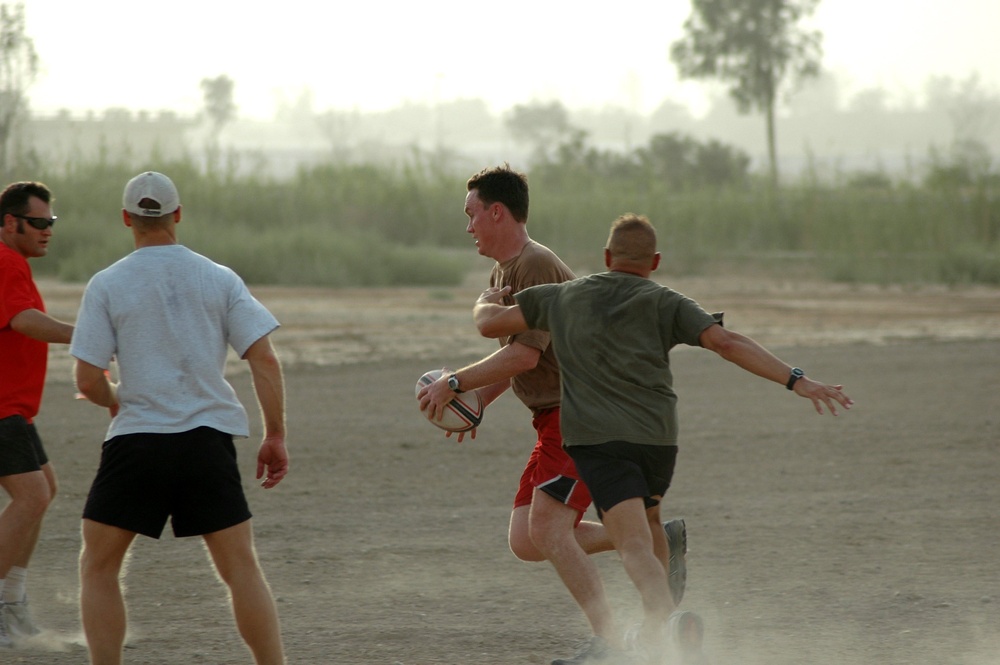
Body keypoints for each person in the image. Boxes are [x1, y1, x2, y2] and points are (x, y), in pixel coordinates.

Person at [473, 213, 854, 665]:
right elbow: (727, 342)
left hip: (599, 439)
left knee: (631, 543)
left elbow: (491, 325)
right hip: (658, 440)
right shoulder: (667, 301)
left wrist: (482, 303)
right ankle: (655, 636)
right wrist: (798, 380)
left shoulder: (567, 296)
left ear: (606, 257)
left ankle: (666, 626)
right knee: (649, 526)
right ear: (654, 261)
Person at [417, 166, 687, 665]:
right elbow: (524, 356)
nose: (468, 226)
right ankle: (651, 538)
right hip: (556, 417)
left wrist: (454, 383)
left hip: (584, 413)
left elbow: (523, 356)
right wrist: (476, 404)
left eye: (471, 214)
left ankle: (608, 644)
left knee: (548, 530)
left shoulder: (534, 264)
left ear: (497, 212)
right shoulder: (505, 272)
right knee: (526, 538)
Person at [71, 171, 289, 665]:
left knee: (99, 567)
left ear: (127, 219)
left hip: (136, 442)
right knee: (241, 569)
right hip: (207, 442)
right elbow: (265, 359)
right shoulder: (218, 277)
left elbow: (86, 380)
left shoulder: (107, 283)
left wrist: (114, 396)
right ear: (178, 215)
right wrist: (274, 434)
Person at [0, 181, 74, 648]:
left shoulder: (15, 264)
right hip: (1, 408)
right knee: (31, 496)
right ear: (9, 223)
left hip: (15, 410)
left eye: (51, 223)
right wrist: (88, 335)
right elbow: (24, 320)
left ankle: (12, 602)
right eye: (38, 223)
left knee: (44, 489)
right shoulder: (5, 261)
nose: (47, 231)